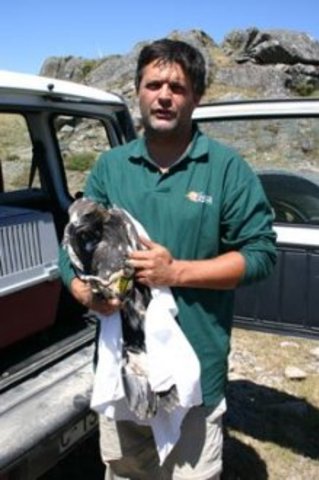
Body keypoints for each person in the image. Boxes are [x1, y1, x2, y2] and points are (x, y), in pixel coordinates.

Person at [59, 38, 277, 480]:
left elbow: (260, 255)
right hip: (122, 371)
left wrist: (176, 272)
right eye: (153, 83)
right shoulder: (111, 168)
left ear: (195, 96)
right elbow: (73, 250)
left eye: (177, 87)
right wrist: (82, 290)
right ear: (137, 92)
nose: (164, 95)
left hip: (193, 377)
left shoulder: (225, 169)